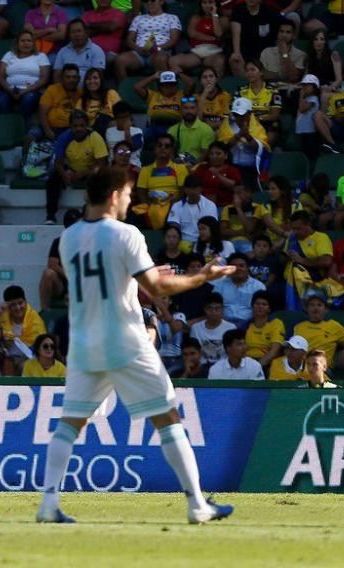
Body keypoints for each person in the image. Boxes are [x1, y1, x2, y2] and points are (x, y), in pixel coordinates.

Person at [35, 166, 234, 524]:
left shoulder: (68, 238)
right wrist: (201, 276)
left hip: (83, 343)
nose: (130, 199)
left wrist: (143, 275)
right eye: (127, 194)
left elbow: (107, 279)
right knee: (167, 417)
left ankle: (48, 504)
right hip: (124, 338)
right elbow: (154, 289)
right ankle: (197, 504)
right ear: (113, 196)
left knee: (70, 424)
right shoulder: (126, 234)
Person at [46, 110, 107, 224]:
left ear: (87, 126)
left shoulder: (95, 138)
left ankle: (94, 213)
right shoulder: (64, 138)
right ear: (70, 126)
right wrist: (64, 174)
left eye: (82, 125)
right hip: (70, 169)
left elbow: (102, 164)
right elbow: (58, 162)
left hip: (89, 170)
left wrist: (83, 173)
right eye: (75, 126)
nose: (78, 129)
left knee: (99, 177)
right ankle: (50, 216)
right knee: (53, 179)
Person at [114, 0, 181, 81]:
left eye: (152, 1)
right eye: (146, 1)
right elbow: (129, 40)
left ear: (161, 1)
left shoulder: (172, 18)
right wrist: (139, 49)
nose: (149, 3)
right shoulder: (138, 18)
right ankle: (123, 89)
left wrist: (158, 48)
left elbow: (174, 39)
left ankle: (161, 90)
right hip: (139, 52)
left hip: (161, 50)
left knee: (159, 58)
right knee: (120, 60)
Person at [133, 132, 187, 229]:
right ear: (155, 148)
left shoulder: (180, 168)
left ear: (172, 150)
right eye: (159, 145)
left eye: (167, 146)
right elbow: (141, 193)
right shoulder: (145, 170)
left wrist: (171, 205)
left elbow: (183, 192)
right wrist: (152, 205)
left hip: (173, 205)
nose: (163, 148)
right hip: (152, 204)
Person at [0, 30, 49, 120]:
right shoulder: (9, 55)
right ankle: (8, 126)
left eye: (29, 41)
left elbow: (44, 79)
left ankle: (24, 127)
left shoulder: (41, 56)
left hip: (32, 90)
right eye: (23, 41)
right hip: (10, 89)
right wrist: (10, 90)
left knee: (28, 99)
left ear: (33, 43)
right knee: (1, 100)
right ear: (17, 43)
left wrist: (26, 91)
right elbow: (1, 77)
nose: (26, 43)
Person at [217, 97, 267, 191]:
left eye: (241, 115)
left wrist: (248, 136)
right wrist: (239, 135)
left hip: (250, 170)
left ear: (249, 114)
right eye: (236, 115)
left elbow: (259, 149)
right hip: (231, 168)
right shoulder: (227, 126)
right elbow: (223, 147)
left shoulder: (257, 128)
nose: (238, 118)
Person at [292, 295, 344, 368]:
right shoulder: (298, 326)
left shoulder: (334, 326)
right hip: (298, 367)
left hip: (321, 368)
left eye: (319, 305)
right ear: (307, 309)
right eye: (312, 305)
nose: (316, 308)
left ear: (326, 310)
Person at [0, 284, 46, 374]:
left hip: (30, 358)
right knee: (6, 363)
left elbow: (39, 350)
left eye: (20, 303)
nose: (18, 307)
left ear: (25, 302)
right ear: (7, 305)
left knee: (24, 366)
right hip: (8, 359)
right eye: (13, 305)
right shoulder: (3, 316)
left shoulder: (35, 321)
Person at [38, 208, 82, 308]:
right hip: (63, 283)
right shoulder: (59, 241)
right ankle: (44, 311)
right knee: (48, 274)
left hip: (83, 281)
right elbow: (52, 264)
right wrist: (70, 275)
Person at [171, 0, 226, 79]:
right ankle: (188, 84)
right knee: (173, 61)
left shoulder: (222, 19)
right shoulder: (196, 18)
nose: (207, 5)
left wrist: (214, 15)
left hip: (214, 52)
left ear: (216, 4)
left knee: (220, 61)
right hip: (197, 52)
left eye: (210, 2)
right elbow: (192, 33)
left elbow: (219, 33)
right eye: (204, 3)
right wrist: (212, 38)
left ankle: (216, 88)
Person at [228, 0, 280, 77]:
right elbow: (236, 34)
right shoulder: (238, 10)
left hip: (264, 52)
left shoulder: (269, 11)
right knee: (235, 59)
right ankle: (245, 86)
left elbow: (278, 34)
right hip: (245, 50)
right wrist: (237, 52)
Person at [213, 253, 264, 326]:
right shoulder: (220, 285)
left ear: (247, 268)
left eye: (241, 266)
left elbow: (262, 310)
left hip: (249, 325)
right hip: (223, 324)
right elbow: (214, 307)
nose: (238, 269)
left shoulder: (258, 287)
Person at [34, 62, 81, 141]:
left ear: (79, 79)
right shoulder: (52, 89)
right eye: (68, 77)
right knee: (31, 136)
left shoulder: (81, 93)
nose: (71, 80)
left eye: (74, 77)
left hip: (70, 130)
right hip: (50, 128)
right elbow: (42, 113)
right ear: (62, 78)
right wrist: (48, 131)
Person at [165, 174, 217, 245]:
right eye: (190, 188)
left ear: (200, 189)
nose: (193, 191)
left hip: (203, 242)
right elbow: (173, 226)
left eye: (195, 188)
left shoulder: (210, 205)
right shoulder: (177, 206)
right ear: (185, 189)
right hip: (183, 242)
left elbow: (212, 229)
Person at [190, 292, 235, 366]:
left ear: (222, 309)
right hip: (202, 367)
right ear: (204, 309)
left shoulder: (231, 328)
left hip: (224, 367)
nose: (213, 312)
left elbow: (233, 353)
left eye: (217, 308)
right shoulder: (195, 328)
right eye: (210, 308)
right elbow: (193, 352)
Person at [52, 19, 104, 83]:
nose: (76, 34)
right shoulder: (63, 51)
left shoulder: (96, 50)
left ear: (86, 32)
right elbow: (57, 76)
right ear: (69, 35)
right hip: (66, 90)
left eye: (79, 31)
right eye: (73, 32)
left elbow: (97, 77)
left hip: (88, 90)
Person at [167, 95, 215, 161]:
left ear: (197, 110)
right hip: (178, 166)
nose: (189, 111)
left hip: (198, 166)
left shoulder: (206, 129)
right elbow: (169, 153)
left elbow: (205, 154)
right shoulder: (172, 130)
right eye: (185, 108)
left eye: (192, 108)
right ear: (181, 110)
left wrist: (193, 167)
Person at [191, 141, 240, 206]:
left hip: (224, 206)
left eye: (218, 154)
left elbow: (234, 187)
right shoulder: (201, 168)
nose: (214, 156)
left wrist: (218, 175)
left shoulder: (232, 170)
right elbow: (193, 186)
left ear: (226, 155)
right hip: (202, 205)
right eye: (211, 154)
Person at [220, 184, 266, 252]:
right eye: (234, 193)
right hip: (230, 243)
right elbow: (223, 231)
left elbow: (250, 228)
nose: (235, 196)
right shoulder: (227, 209)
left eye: (238, 192)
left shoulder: (257, 208)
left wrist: (238, 209)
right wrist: (242, 232)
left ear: (248, 193)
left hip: (249, 243)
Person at [258, 20, 303, 86]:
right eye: (281, 31)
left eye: (288, 32)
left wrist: (285, 54)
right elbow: (261, 75)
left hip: (288, 91)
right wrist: (280, 76)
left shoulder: (301, 55)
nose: (284, 35)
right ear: (277, 34)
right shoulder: (266, 52)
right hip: (269, 90)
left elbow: (293, 77)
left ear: (293, 35)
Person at [245, 290, 284, 367]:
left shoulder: (276, 324)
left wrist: (257, 367)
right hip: (247, 361)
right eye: (257, 304)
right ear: (252, 306)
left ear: (269, 309)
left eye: (264, 304)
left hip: (267, 362)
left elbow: (274, 351)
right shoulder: (245, 325)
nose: (260, 306)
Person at [83, 0, 127, 67]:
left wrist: (89, 25)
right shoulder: (86, 15)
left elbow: (110, 27)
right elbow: (84, 34)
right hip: (87, 51)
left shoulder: (118, 13)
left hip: (109, 53)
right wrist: (105, 29)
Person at [75, 66, 118, 132]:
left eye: (95, 78)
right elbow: (77, 120)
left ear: (101, 80)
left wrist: (116, 122)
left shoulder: (111, 93)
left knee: (103, 118)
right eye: (88, 79)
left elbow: (122, 112)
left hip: (113, 128)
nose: (91, 81)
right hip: (92, 132)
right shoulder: (82, 101)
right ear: (85, 82)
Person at [105, 102, 143, 167]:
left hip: (132, 166)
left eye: (126, 116)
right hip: (113, 167)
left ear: (130, 116)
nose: (123, 120)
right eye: (120, 117)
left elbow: (131, 148)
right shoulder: (109, 131)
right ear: (115, 118)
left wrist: (127, 131)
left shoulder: (137, 131)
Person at [196, 66, 231, 131]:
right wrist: (204, 94)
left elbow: (227, 119)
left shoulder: (225, 96)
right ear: (200, 81)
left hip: (220, 129)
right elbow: (197, 119)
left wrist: (211, 125)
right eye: (205, 77)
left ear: (216, 79)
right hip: (202, 130)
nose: (208, 79)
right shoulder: (196, 97)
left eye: (211, 76)